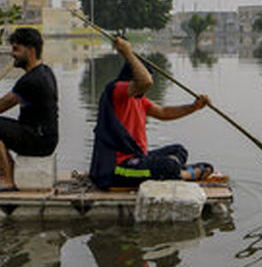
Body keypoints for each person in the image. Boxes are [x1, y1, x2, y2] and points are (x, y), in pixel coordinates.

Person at [89, 36, 213, 188]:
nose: (148, 88)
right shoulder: (117, 90)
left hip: (138, 158)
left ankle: (172, 171)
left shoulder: (139, 99)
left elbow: (163, 112)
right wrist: (128, 53)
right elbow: (145, 81)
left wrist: (194, 107)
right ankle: (181, 174)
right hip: (118, 169)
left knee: (179, 151)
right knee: (167, 165)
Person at [0, 27, 58, 192]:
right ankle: (8, 170)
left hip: (40, 141)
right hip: (46, 137)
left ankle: (7, 178)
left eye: (16, 49)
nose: (12, 54)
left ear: (31, 51)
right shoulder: (45, 71)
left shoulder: (32, 80)